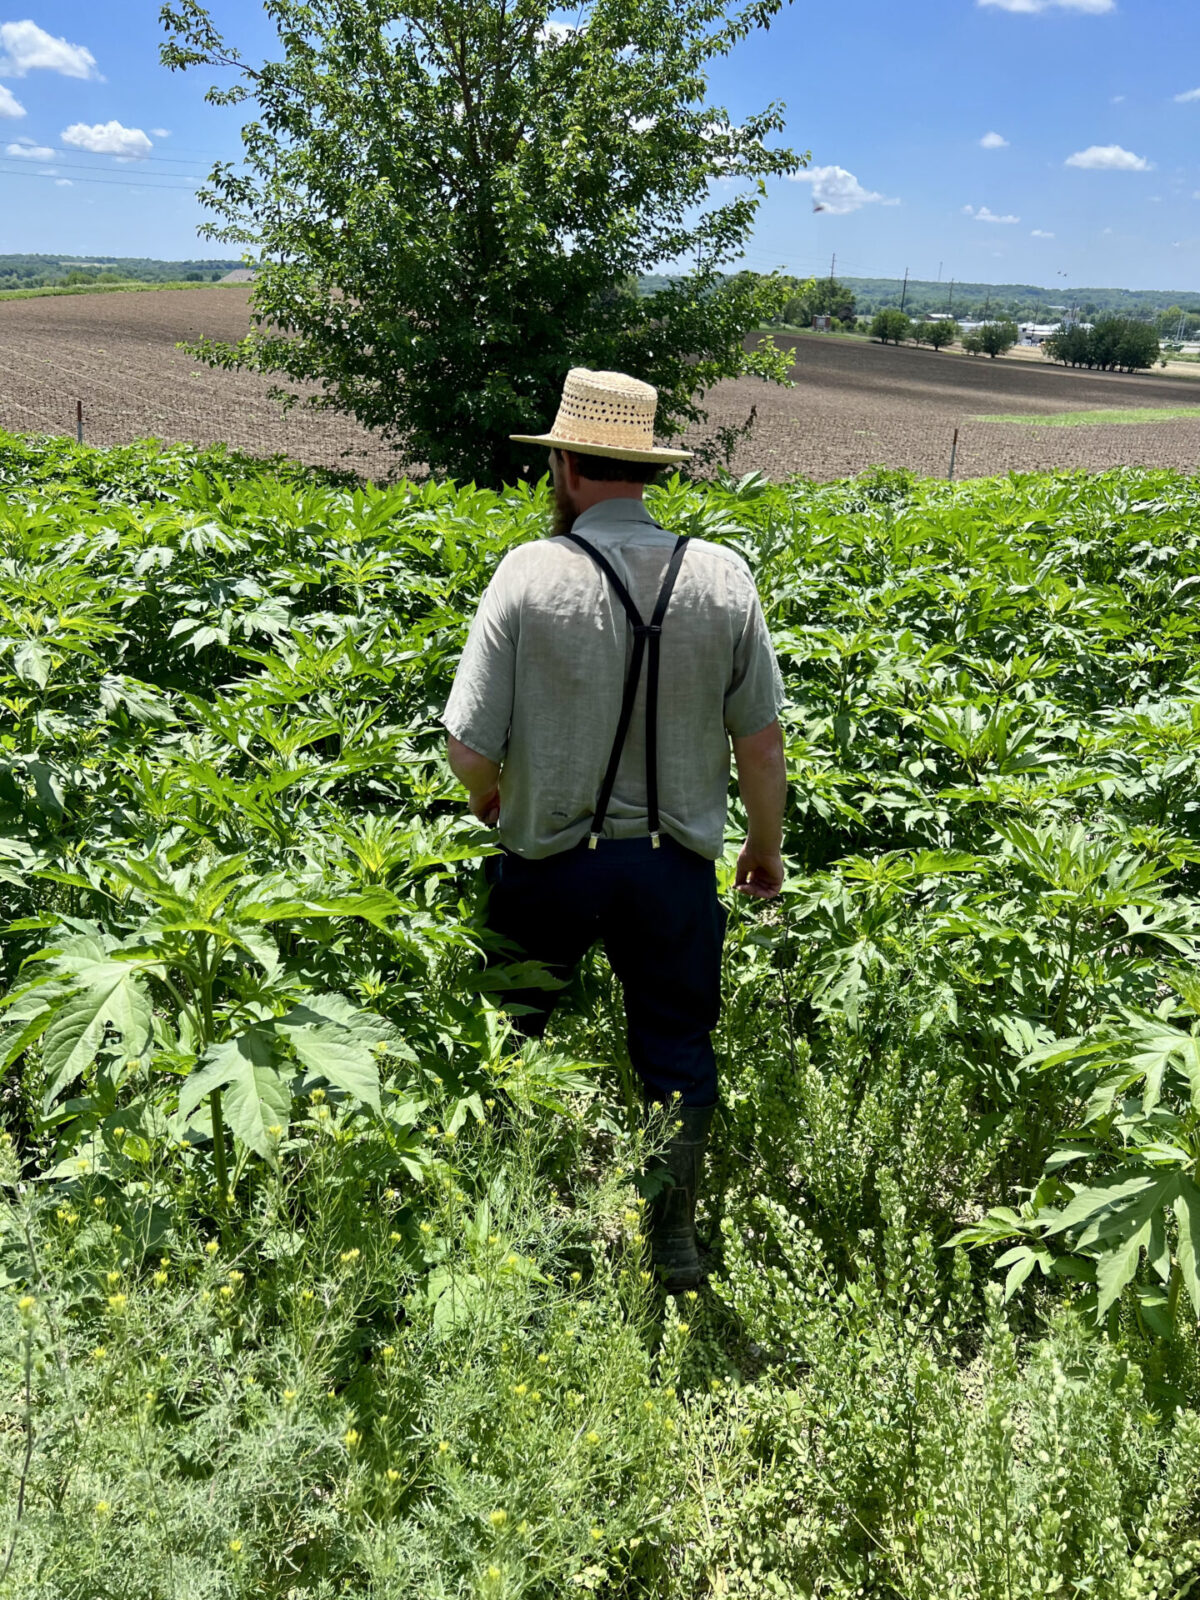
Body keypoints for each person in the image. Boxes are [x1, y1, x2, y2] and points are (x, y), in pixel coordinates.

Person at [441, 368, 787, 1291]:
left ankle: (490, 1207)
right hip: (674, 865)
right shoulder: (722, 577)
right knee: (675, 1047)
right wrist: (764, 846)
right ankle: (670, 1233)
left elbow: (467, 747)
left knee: (507, 1032)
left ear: (562, 464)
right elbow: (759, 741)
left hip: (546, 856)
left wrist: (497, 803)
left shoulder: (529, 571)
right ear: (646, 468)